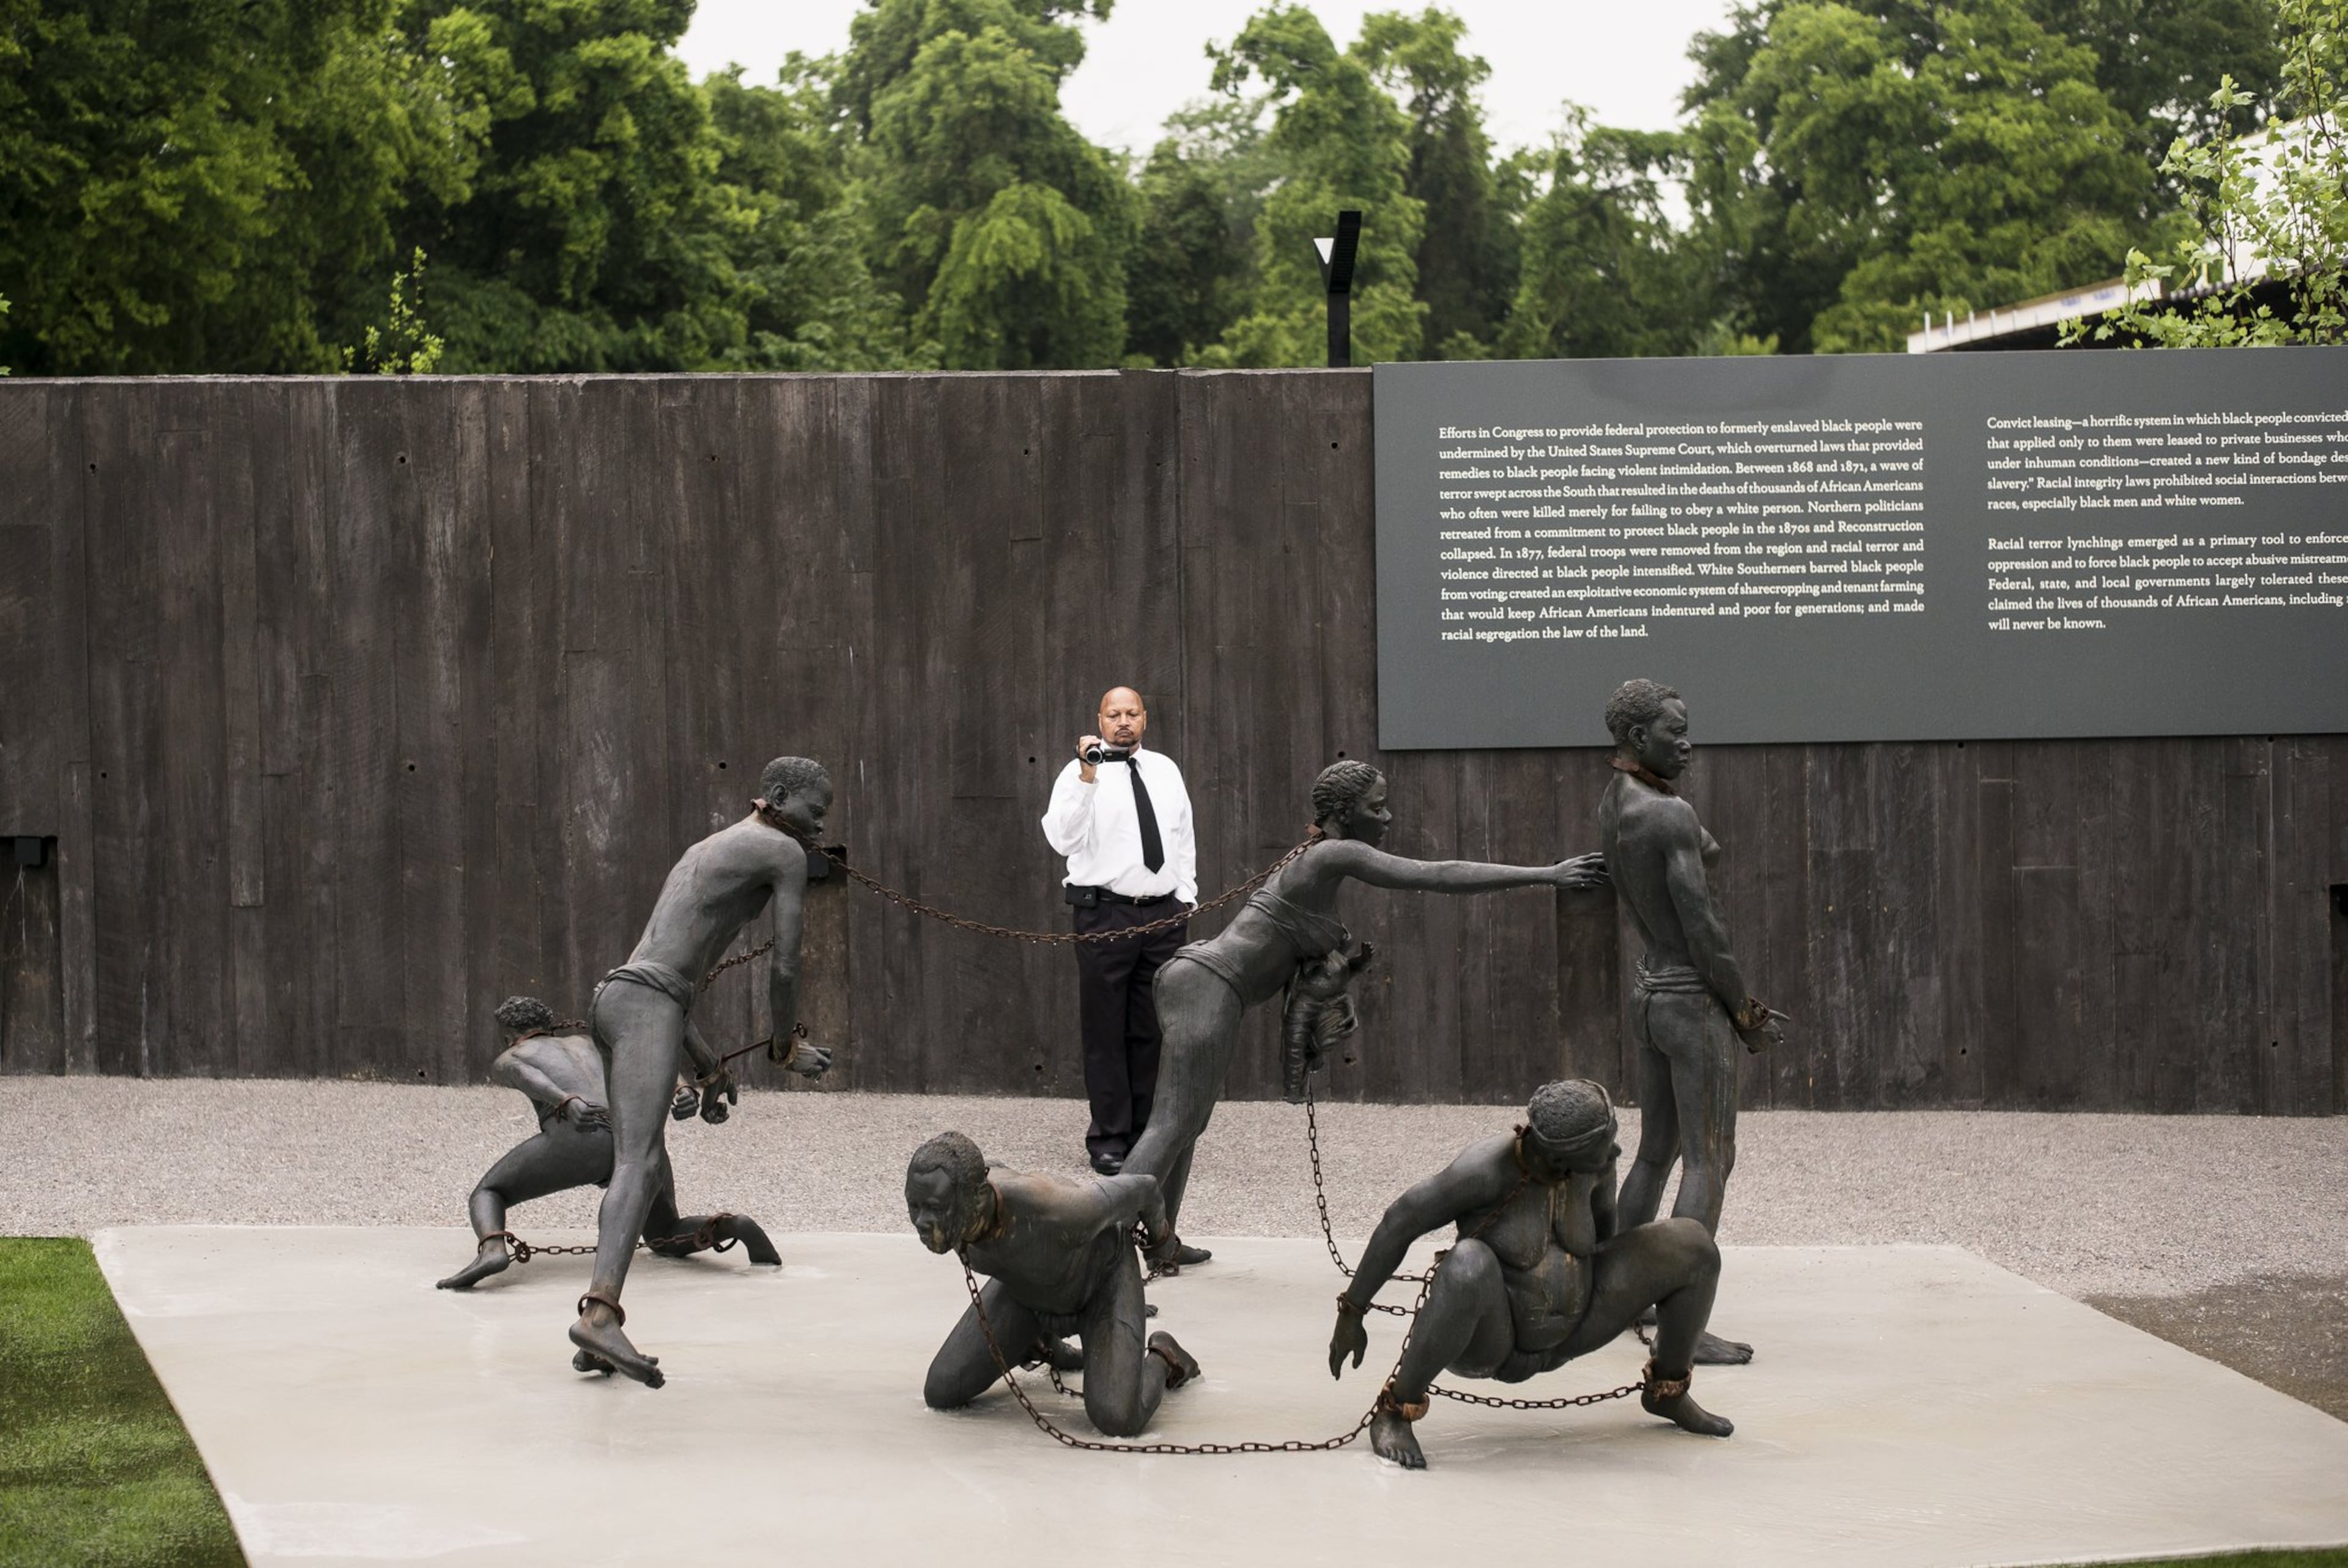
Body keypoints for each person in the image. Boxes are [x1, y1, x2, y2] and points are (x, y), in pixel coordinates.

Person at [1122, 759, 1609, 1270]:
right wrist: (1546, 875)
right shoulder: (1335, 852)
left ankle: (1162, 1239)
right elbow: (1436, 875)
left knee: (1186, 1125)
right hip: (1210, 986)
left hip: (1205, 984)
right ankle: (1100, 1258)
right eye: (1376, 807)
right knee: (1170, 1127)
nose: (1388, 817)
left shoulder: (1317, 855)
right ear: (1344, 812)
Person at [568, 757, 838, 1388]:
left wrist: (707, 1065)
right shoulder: (783, 854)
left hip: (619, 997)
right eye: (815, 811)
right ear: (777, 795)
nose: (820, 826)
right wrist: (782, 1046)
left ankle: (594, 1344)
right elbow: (787, 966)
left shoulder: (710, 845)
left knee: (646, 1158)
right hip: (649, 1004)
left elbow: (662, 973)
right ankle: (600, 1316)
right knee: (637, 1159)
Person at [1327, 1078, 1733, 1470]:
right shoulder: (1485, 1170)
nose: (1615, 1150)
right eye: (1603, 1144)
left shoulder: (1594, 1166)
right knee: (1468, 1262)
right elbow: (1398, 1223)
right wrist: (1352, 1314)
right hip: (1496, 1342)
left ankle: (1668, 1390)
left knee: (1693, 1244)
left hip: (1576, 1324)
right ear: (1561, 1155)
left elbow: (1605, 1237)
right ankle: (1397, 1410)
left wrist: (1638, 1286)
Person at [1597, 679, 1782, 1364]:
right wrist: (1744, 1011)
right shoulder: (1669, 815)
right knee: (1712, 1156)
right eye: (1675, 732)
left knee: (1654, 1152)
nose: (1688, 743)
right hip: (1688, 994)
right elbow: (1704, 929)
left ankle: (1609, 1290)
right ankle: (1682, 1316)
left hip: (1649, 990)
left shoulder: (1618, 800)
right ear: (1638, 738)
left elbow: (1699, 849)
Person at [434, 996, 780, 1294]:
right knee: (664, 1233)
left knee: (489, 1192)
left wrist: (564, 1100)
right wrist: (681, 1089)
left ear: (509, 1035)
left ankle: (493, 1248)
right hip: (638, 1140)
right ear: (550, 1024)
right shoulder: (592, 1043)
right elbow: (644, 1061)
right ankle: (731, 1225)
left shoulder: (513, 1054)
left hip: (579, 1138)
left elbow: (525, 1074)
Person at [907, 1130, 1200, 1439]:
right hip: (1024, 1292)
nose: (923, 1222)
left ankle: (1165, 1355)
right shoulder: (958, 1204)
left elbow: (1145, 1188)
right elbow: (989, 1167)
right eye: (915, 1206)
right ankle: (1040, 1342)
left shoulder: (1063, 1210)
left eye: (937, 1209)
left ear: (978, 1198)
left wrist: (1162, 1242)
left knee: (1117, 1418)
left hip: (1100, 1284)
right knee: (943, 1390)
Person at [1040, 686, 1197, 1177]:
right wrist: (1088, 777)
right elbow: (1062, 838)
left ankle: (1146, 1135)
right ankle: (1108, 1138)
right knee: (1105, 1032)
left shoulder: (1166, 770)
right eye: (1115, 714)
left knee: (1152, 1030)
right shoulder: (1078, 773)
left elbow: (1182, 836)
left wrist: (1185, 896)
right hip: (1105, 916)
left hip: (1163, 918)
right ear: (1100, 720)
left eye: (1132, 714)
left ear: (1145, 719)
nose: (1124, 721)